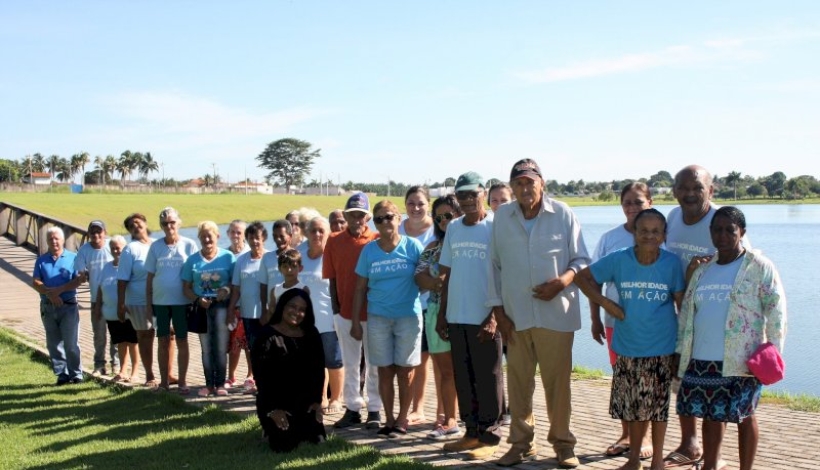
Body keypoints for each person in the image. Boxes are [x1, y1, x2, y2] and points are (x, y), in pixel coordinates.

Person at [487, 158, 590, 468]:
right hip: (515, 317)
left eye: (529, 181)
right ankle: (520, 444)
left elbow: (582, 260)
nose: (524, 187)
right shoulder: (502, 217)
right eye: (518, 182)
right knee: (518, 383)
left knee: (557, 384)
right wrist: (498, 312)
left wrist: (562, 281)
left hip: (556, 315)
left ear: (541, 183)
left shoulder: (563, 214)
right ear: (512, 187)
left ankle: (563, 445)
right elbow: (492, 267)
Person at [676, 206, 787, 470]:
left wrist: (772, 353)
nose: (723, 235)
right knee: (711, 416)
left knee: (745, 416)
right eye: (717, 230)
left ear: (742, 233)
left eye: (730, 230)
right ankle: (710, 465)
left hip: (742, 358)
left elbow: (777, 311)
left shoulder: (759, 267)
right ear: (710, 233)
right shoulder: (704, 269)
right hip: (703, 357)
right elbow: (688, 312)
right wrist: (681, 350)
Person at [576, 208, 685, 470]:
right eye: (643, 230)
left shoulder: (671, 263)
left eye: (655, 231)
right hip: (627, 346)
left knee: (658, 408)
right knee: (633, 408)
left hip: (662, 346)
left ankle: (657, 460)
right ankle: (634, 460)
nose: (649, 236)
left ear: (664, 235)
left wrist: (680, 350)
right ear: (634, 233)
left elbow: (682, 307)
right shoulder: (618, 259)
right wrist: (606, 304)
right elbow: (582, 278)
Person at [664, 164, 750, 468]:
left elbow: (745, 268)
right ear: (674, 191)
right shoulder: (672, 218)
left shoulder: (723, 220)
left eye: (697, 188)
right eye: (683, 188)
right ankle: (690, 444)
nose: (689, 194)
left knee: (718, 392)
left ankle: (713, 457)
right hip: (682, 315)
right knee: (684, 381)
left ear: (710, 191)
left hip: (717, 321)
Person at [436, 172, 503, 460]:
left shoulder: (496, 227)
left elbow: (504, 273)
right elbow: (447, 273)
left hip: (485, 315)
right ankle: (471, 433)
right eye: (461, 195)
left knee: (489, 377)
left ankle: (490, 439)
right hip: (456, 315)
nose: (466, 200)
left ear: (483, 192)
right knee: (465, 378)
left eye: (471, 194)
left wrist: (494, 317)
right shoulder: (453, 228)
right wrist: (442, 314)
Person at [589, 183, 654, 459]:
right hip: (616, 324)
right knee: (623, 379)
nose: (632, 207)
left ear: (649, 203)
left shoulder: (659, 235)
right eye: (627, 202)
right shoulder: (609, 239)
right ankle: (627, 435)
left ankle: (646, 438)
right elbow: (592, 280)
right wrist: (595, 317)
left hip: (653, 324)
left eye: (638, 202)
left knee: (647, 380)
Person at [351, 199, 424, 438]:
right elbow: (360, 288)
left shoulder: (413, 247)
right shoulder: (369, 250)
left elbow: (426, 277)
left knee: (406, 371)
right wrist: (354, 322)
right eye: (379, 218)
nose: (385, 222)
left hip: (408, 318)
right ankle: (389, 419)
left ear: (399, 219)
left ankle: (403, 419)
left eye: (389, 217)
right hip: (378, 318)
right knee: (384, 370)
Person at [323, 192, 382, 429]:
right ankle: (353, 408)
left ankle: (375, 409)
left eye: (360, 215)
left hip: (375, 312)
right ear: (346, 216)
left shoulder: (377, 239)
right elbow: (331, 278)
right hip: (345, 313)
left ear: (367, 217)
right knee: (351, 363)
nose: (356, 219)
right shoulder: (334, 241)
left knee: (375, 364)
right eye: (351, 215)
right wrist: (337, 310)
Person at [252, 288, 326, 452]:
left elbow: (318, 371)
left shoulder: (311, 334)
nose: (296, 312)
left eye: (302, 310)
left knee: (315, 438)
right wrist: (273, 409)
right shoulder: (266, 336)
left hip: (304, 402)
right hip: (275, 402)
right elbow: (261, 378)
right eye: (292, 307)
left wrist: (316, 402)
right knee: (283, 444)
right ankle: (269, 427)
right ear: (283, 307)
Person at [414, 194, 462, 440]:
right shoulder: (432, 247)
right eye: (439, 217)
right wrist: (437, 283)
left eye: (449, 216)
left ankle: (474, 420)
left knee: (467, 369)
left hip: (465, 311)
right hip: (435, 313)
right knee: (445, 371)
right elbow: (419, 277)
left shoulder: (467, 242)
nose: (444, 221)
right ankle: (448, 420)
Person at [145, 207, 198, 393]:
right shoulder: (155, 246)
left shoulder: (189, 245)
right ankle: (164, 382)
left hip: (182, 302)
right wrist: (148, 303)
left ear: (179, 223)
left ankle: (182, 382)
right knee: (163, 341)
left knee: (182, 340)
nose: (169, 226)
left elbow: (196, 273)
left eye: (172, 222)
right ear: (161, 226)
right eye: (165, 223)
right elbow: (150, 277)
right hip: (160, 302)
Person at [182, 221, 236, 397]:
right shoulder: (192, 260)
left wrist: (225, 290)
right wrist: (197, 299)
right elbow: (186, 287)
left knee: (220, 347)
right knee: (206, 348)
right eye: (203, 236)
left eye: (210, 235)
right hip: (202, 308)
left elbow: (234, 282)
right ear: (199, 238)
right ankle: (209, 385)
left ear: (217, 236)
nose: (207, 239)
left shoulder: (228, 257)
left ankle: (220, 383)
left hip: (221, 306)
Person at [299, 217, 345, 415]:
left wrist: (340, 316)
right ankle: (321, 398)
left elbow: (342, 288)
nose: (317, 235)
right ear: (307, 233)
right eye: (313, 231)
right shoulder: (299, 254)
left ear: (328, 233)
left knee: (333, 361)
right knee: (313, 362)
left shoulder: (334, 254)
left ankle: (337, 398)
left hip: (329, 319)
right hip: (306, 321)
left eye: (321, 231)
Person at [399, 186, 436, 426]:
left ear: (428, 204)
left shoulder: (437, 230)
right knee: (406, 360)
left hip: (429, 303)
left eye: (420, 203)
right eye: (411, 203)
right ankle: (406, 408)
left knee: (423, 359)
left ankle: (419, 408)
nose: (415, 208)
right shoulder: (397, 227)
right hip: (401, 303)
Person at [32, 226, 83, 385]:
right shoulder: (41, 260)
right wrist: (49, 294)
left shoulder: (74, 258)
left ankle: (76, 374)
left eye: (57, 238)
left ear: (63, 240)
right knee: (53, 343)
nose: (54, 241)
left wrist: (58, 292)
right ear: (47, 241)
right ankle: (62, 374)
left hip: (68, 306)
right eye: (51, 239)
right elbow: (36, 281)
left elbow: (78, 280)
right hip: (48, 307)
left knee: (71, 343)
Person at [227, 221, 268, 394]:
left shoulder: (269, 258)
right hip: (247, 313)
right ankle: (257, 381)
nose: (254, 242)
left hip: (267, 313)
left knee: (267, 348)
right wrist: (230, 311)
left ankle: (267, 383)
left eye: (257, 238)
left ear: (263, 238)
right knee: (253, 348)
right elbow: (236, 289)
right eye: (251, 238)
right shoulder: (242, 260)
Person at [117, 213, 157, 387]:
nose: (136, 227)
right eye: (131, 226)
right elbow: (122, 279)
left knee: (167, 336)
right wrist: (121, 303)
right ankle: (150, 375)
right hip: (138, 301)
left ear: (145, 223)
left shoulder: (157, 244)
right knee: (145, 336)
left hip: (161, 299)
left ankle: (168, 374)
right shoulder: (130, 249)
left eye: (138, 223)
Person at [74, 219, 117, 377]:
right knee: (99, 335)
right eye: (92, 232)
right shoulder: (85, 250)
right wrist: (82, 274)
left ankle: (116, 365)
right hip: (95, 300)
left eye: (99, 231)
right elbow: (79, 268)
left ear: (105, 233)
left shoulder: (111, 247)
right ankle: (99, 365)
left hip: (114, 298)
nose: (96, 234)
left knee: (116, 334)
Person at [95, 235, 139, 383]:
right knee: (120, 342)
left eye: (118, 248)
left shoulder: (130, 265)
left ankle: (135, 372)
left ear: (125, 249)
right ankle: (122, 370)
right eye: (113, 248)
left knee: (133, 342)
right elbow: (100, 289)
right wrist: (98, 306)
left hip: (129, 312)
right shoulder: (106, 267)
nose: (116, 250)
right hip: (112, 313)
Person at [225, 219, 250, 389]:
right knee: (233, 343)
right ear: (227, 234)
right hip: (230, 306)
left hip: (248, 306)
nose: (236, 235)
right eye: (233, 232)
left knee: (249, 344)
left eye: (239, 232)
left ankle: (251, 375)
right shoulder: (224, 254)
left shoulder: (251, 253)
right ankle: (231, 376)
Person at [262, 249, 309, 324]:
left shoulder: (303, 289)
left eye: (293, 266)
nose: (289, 270)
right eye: (285, 266)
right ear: (279, 269)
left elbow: (306, 315)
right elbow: (271, 313)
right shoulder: (275, 290)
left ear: (300, 268)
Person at [258, 219, 292, 314]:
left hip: (292, 311)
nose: (278, 240)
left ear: (290, 236)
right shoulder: (267, 257)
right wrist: (264, 311)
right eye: (275, 236)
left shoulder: (297, 256)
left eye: (282, 236)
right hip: (273, 311)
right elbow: (263, 286)